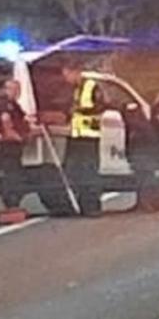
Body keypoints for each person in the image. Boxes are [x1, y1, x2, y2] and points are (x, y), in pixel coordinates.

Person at [62, 64, 105, 215]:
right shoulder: (76, 89)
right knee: (77, 172)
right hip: (77, 136)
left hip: (90, 137)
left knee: (90, 172)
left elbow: (101, 107)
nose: (66, 79)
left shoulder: (92, 86)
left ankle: (93, 206)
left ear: (76, 72)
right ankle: (82, 205)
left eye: (67, 74)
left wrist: (80, 110)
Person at [0, 79, 30, 208]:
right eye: (12, 89)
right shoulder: (6, 105)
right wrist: (17, 136)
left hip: (15, 144)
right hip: (8, 144)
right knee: (11, 173)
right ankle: (10, 200)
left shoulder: (15, 105)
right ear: (6, 90)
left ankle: (13, 200)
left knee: (15, 171)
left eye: (17, 90)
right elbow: (6, 123)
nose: (15, 92)